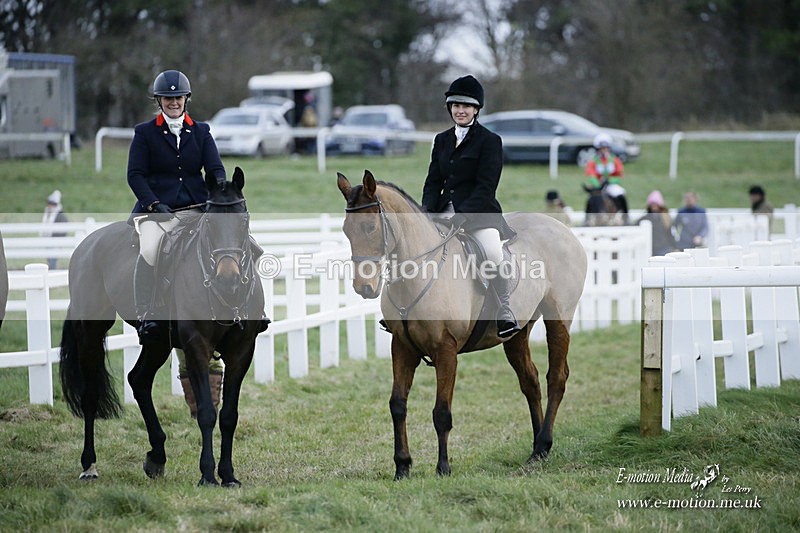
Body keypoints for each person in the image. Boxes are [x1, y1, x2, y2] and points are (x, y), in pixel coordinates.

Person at [127, 69, 226, 415]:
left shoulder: (201, 132)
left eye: (178, 97)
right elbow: (135, 175)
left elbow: (214, 169)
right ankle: (148, 316)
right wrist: (154, 204)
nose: (173, 102)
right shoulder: (144, 133)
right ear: (159, 101)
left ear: (186, 99)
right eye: (167, 98)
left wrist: (220, 188)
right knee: (151, 250)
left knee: (230, 244)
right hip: (159, 210)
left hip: (198, 207)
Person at [421, 75, 520, 338]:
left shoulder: (490, 141)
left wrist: (463, 216)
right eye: (455, 105)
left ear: (476, 109)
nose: (460, 110)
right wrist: (427, 211)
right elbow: (433, 181)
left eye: (466, 106)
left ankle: (504, 311)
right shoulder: (441, 140)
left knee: (492, 252)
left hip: (480, 213)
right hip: (445, 210)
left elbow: (486, 187)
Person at [584, 133, 629, 223]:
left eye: (606, 148)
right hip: (598, 185)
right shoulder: (593, 161)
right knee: (591, 198)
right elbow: (591, 174)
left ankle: (626, 217)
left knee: (621, 194)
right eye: (602, 148)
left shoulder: (614, 160)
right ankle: (587, 219)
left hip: (611, 185)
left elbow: (619, 174)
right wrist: (597, 183)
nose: (604, 150)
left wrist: (610, 180)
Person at [637, 190, 677, 256]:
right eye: (652, 203)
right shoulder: (646, 218)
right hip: (651, 248)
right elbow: (635, 225)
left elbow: (670, 234)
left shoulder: (665, 218)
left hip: (664, 248)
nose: (653, 206)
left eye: (655, 203)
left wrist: (675, 247)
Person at [41, 190, 68, 269]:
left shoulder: (60, 216)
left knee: (52, 259)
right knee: (50, 258)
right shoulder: (47, 214)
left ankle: (52, 271)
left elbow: (63, 230)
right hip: (48, 240)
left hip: (56, 241)